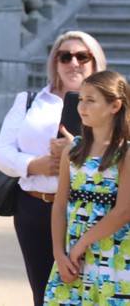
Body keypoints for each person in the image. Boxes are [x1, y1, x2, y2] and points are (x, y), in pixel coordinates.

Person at [0, 31, 106, 305]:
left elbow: (120, 154)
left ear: (95, 61)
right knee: (43, 291)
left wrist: (76, 150)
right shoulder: (31, 100)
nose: (73, 63)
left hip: (88, 211)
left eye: (82, 56)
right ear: (55, 62)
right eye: (65, 56)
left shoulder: (110, 104)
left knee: (89, 292)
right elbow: (2, 152)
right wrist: (35, 165)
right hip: (33, 208)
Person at [44, 70, 130, 303]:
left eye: (91, 100)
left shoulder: (125, 153)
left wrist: (83, 243)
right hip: (74, 259)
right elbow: (60, 204)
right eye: (81, 99)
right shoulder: (72, 152)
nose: (82, 106)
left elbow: (123, 211)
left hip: (114, 255)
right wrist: (58, 253)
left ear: (115, 106)